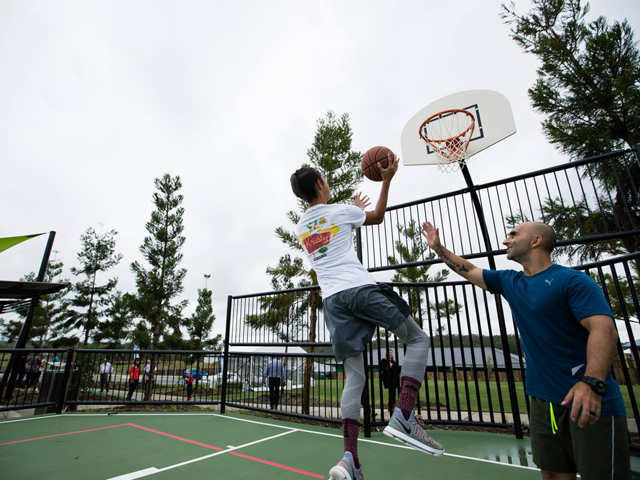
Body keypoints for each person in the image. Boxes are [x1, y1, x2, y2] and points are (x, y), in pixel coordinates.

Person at [422, 220, 629, 479]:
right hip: (543, 401)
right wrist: (438, 247)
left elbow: (604, 330)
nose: (506, 240)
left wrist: (592, 383)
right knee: (553, 474)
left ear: (535, 241)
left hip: (586, 398)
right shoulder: (511, 281)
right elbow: (470, 270)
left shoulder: (572, 281)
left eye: (513, 234)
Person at [291, 160, 444, 480]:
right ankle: (404, 414)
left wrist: (352, 214)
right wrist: (386, 181)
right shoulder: (339, 211)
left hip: (333, 301)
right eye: (325, 179)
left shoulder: (302, 226)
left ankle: (349, 460)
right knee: (418, 339)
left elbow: (332, 235)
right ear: (319, 184)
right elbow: (378, 217)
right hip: (358, 289)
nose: (327, 183)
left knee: (354, 377)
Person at [379, 349, 400, 415]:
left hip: (394, 379)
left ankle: (393, 405)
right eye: (389, 352)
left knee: (394, 392)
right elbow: (381, 368)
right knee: (391, 392)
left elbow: (397, 369)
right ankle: (390, 406)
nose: (391, 354)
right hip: (388, 379)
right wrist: (387, 367)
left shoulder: (393, 361)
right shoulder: (384, 360)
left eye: (391, 352)